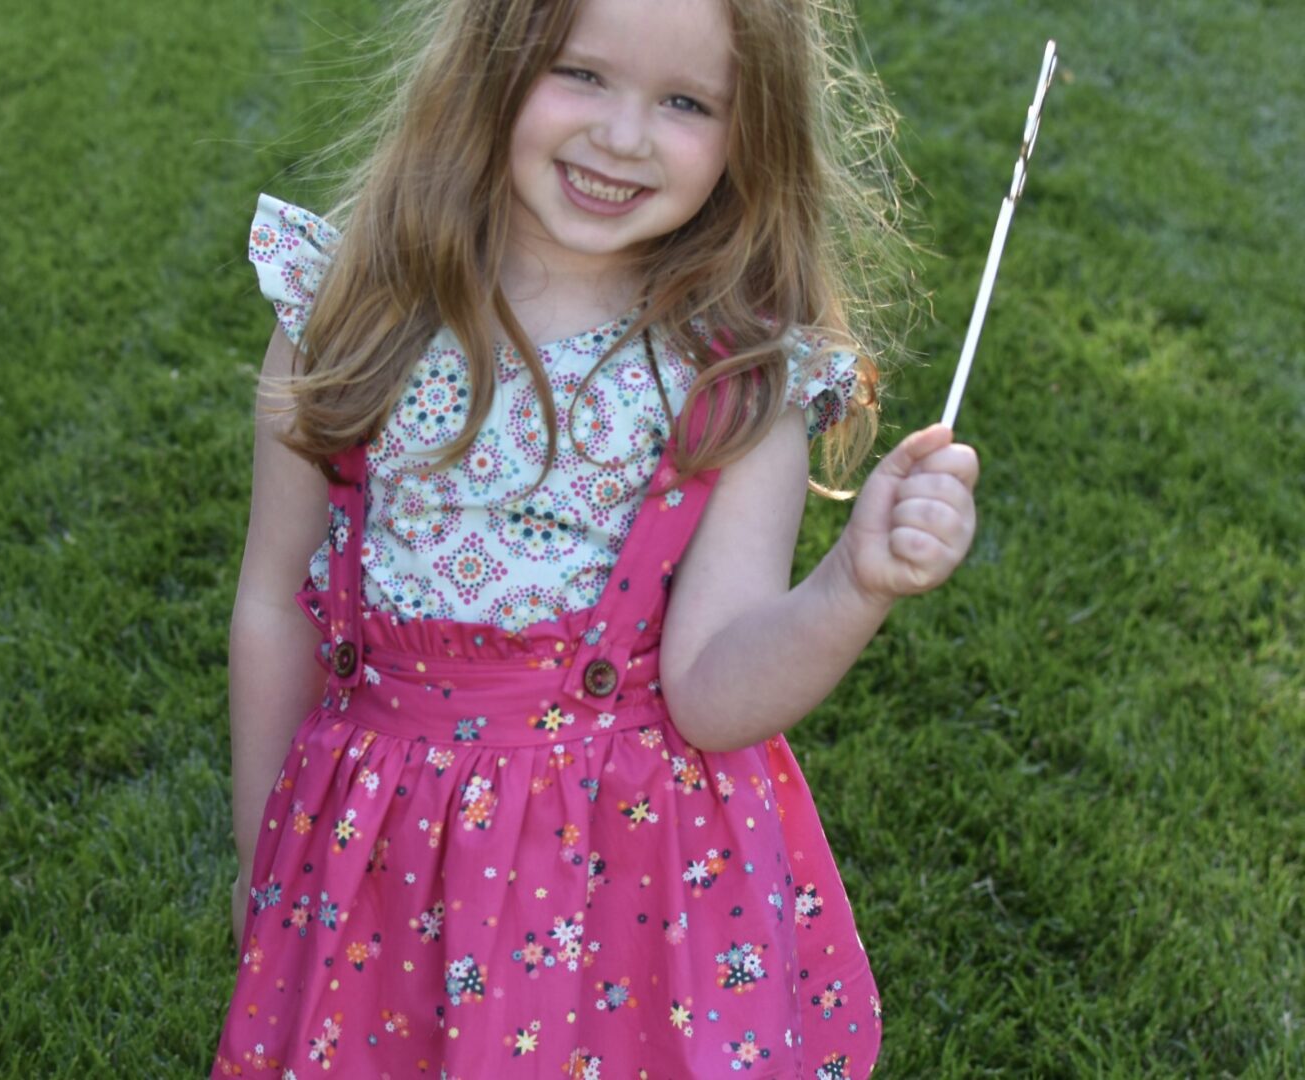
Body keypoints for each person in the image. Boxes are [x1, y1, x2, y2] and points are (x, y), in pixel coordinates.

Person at [214, 0, 978, 1075]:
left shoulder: (733, 382)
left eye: (685, 102)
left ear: (748, 131)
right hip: (372, 862)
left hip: (620, 893)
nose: (623, 137)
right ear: (492, 60)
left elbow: (714, 695)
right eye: (580, 74)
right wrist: (271, 867)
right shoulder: (348, 316)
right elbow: (271, 607)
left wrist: (854, 582)